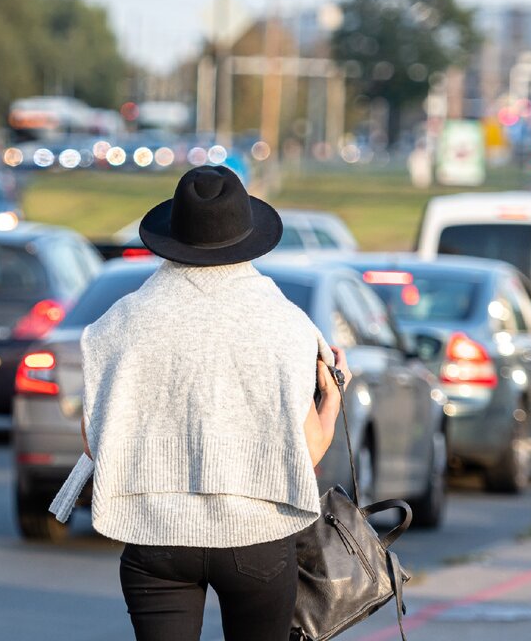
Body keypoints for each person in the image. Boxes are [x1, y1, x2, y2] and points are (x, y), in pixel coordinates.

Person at [49, 165, 347, 641]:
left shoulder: (118, 324)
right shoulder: (289, 326)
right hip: (257, 534)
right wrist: (331, 402)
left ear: (173, 234)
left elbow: (95, 441)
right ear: (248, 236)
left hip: (155, 535)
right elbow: (305, 454)